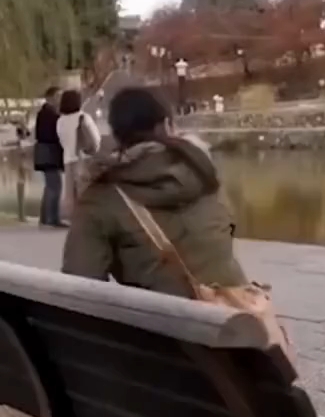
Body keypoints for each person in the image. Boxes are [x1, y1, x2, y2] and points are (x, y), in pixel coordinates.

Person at [61, 87, 245, 298]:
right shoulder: (203, 171)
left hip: (165, 316)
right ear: (167, 125)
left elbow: (80, 288)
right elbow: (228, 229)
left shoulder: (100, 198)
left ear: (116, 135)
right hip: (239, 308)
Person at [56, 89, 102, 218]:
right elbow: (96, 139)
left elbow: (62, 141)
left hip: (67, 159)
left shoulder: (60, 121)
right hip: (83, 158)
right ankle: (87, 219)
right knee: (86, 192)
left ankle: (73, 219)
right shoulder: (83, 117)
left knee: (71, 195)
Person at [33, 86, 67, 228]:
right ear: (49, 98)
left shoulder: (47, 113)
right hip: (48, 153)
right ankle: (51, 218)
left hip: (46, 153)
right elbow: (52, 135)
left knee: (51, 186)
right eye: (57, 96)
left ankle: (46, 218)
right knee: (54, 186)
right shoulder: (49, 115)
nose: (59, 99)